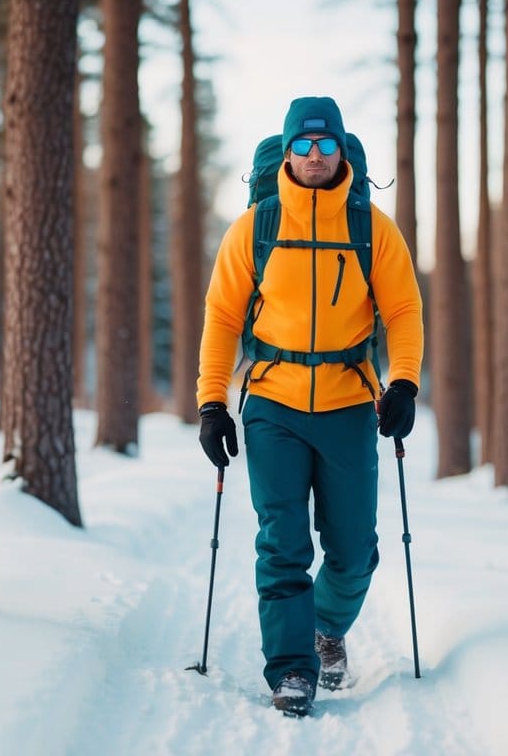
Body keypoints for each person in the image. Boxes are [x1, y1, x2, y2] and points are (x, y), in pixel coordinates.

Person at [196, 96, 424, 716]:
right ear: (287, 151)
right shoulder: (257, 226)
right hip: (273, 401)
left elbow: (402, 311)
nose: (315, 155)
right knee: (283, 544)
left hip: (352, 403)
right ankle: (292, 669)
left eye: (326, 145)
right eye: (303, 144)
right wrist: (211, 403)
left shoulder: (371, 226)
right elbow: (221, 317)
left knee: (354, 552)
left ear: (343, 150)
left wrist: (402, 383)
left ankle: (326, 627)